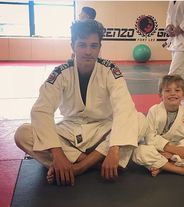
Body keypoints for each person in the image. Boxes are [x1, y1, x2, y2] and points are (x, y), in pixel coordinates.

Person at [14, 20, 146, 186]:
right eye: (82, 45)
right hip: (70, 130)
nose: (88, 51)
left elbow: (124, 108)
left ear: (99, 47)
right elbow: (41, 111)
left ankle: (74, 168)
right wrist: (57, 153)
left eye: (93, 45)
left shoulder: (110, 71)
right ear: (73, 46)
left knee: (139, 119)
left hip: (102, 131)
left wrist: (114, 148)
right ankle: (95, 164)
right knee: (22, 134)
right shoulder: (61, 72)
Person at [132, 74, 184, 178]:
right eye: (167, 90)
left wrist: (174, 154)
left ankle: (163, 165)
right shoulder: (154, 111)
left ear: (183, 95)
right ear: (160, 94)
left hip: (177, 151)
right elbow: (149, 137)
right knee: (139, 151)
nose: (173, 93)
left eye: (177, 90)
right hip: (157, 149)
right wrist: (171, 149)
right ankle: (180, 170)